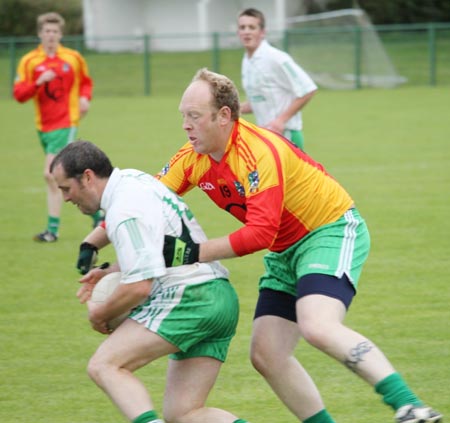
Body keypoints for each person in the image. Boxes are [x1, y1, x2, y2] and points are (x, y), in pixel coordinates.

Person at [77, 69, 442, 423]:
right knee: (267, 354)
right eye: (183, 116)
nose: (186, 125)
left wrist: (191, 253)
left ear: (223, 116)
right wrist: (96, 243)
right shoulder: (192, 159)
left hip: (328, 230)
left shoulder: (258, 152)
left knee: (317, 325)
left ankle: (408, 406)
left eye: (194, 116)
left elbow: (259, 235)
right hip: (285, 251)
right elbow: (142, 202)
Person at [50, 140, 249, 423]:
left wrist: (100, 314)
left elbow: (139, 287)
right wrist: (110, 269)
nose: (67, 198)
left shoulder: (124, 210)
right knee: (184, 413)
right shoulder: (134, 180)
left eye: (66, 189)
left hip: (190, 298)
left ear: (87, 177)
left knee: (105, 365)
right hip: (219, 297)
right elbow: (153, 249)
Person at [13, 12, 103, 243]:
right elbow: (19, 95)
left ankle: (52, 231)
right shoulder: (29, 61)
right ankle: (96, 215)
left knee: (50, 173)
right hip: (44, 126)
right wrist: (38, 82)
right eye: (47, 31)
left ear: (60, 34)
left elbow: (86, 82)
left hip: (67, 121)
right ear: (40, 34)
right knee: (70, 173)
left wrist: (85, 98)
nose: (51, 35)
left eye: (55, 31)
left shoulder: (72, 58)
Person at [237, 8, 318, 150]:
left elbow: (308, 89)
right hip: (265, 138)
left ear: (262, 32)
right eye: (242, 27)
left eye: (252, 27)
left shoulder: (276, 57)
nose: (246, 31)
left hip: (287, 136)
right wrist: (229, 110)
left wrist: (281, 120)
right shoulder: (247, 60)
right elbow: (257, 100)